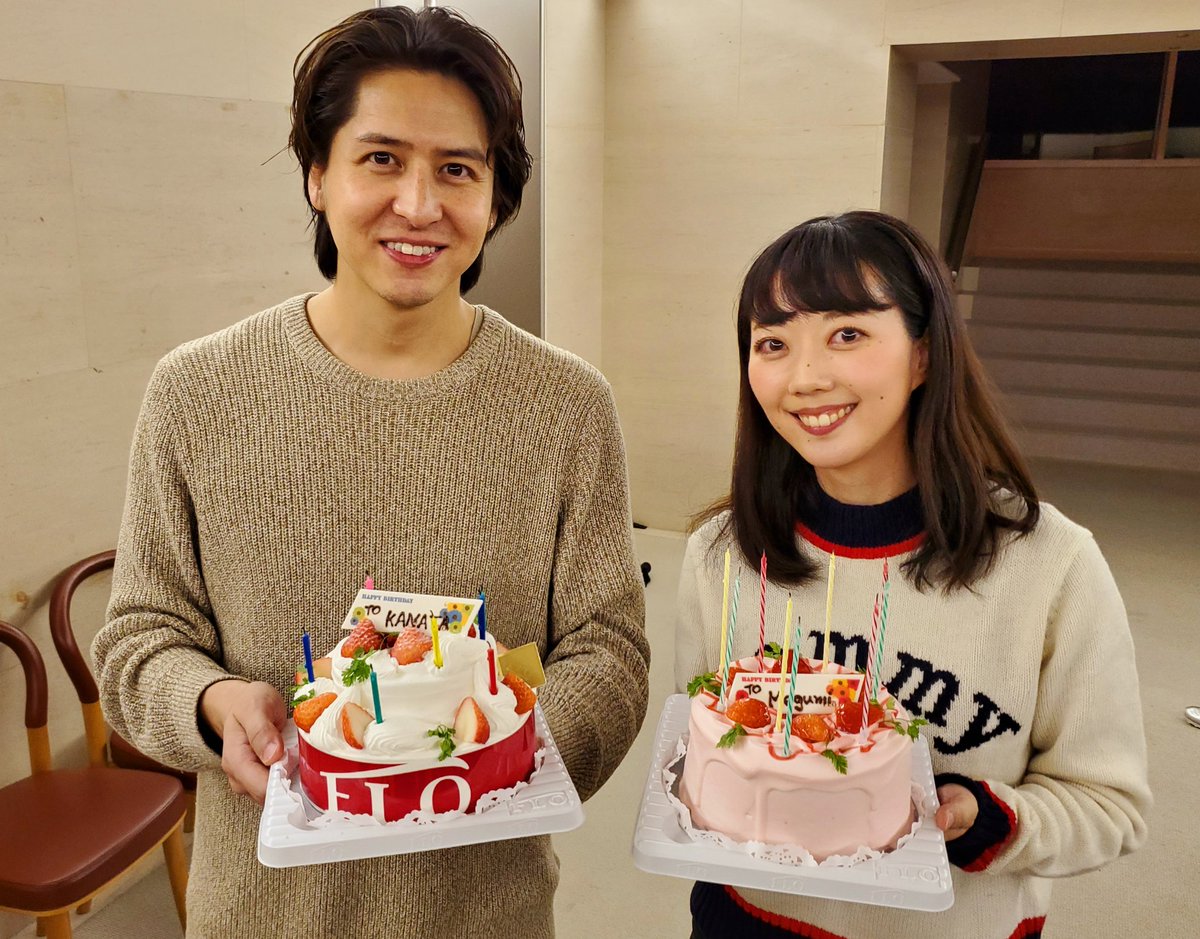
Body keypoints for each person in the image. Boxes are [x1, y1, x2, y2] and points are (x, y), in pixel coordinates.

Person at [93, 7, 649, 936]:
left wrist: (489, 749)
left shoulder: (567, 406)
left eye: (458, 169)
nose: (420, 206)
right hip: (264, 912)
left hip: (486, 910)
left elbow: (611, 648)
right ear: (318, 174)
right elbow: (139, 637)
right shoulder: (199, 391)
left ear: (496, 198)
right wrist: (212, 702)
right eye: (381, 158)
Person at [674, 211, 1150, 938]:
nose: (805, 378)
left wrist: (987, 817)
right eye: (772, 343)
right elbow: (701, 752)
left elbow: (1110, 805)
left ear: (923, 354)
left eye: (847, 334)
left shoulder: (1053, 566)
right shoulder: (722, 552)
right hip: (747, 920)